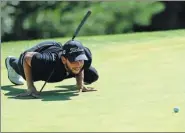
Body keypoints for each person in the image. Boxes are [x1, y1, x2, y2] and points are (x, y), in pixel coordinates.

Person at [5, 40, 99, 98]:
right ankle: (11, 61)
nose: (78, 64)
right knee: (24, 72)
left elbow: (80, 62)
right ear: (63, 59)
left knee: (92, 75)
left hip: (57, 48)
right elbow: (27, 57)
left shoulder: (85, 59)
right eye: (73, 60)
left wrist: (80, 84)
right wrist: (31, 87)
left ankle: (71, 69)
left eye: (80, 59)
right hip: (38, 55)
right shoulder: (46, 62)